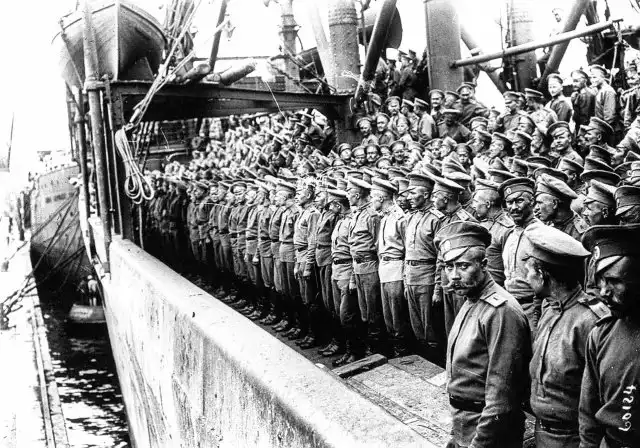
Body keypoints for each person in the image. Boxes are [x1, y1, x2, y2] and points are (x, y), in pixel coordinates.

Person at [436, 221, 531, 448]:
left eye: (463, 266)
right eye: (449, 267)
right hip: (466, 424)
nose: (454, 276)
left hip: (489, 432)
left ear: (484, 264)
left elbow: (501, 396)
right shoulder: (472, 299)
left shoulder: (501, 311)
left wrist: (479, 443)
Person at [523, 223, 607, 448]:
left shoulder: (590, 321)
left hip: (573, 439)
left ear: (542, 275)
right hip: (543, 432)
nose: (526, 277)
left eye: (529, 270)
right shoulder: (550, 308)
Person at [580, 223, 640, 448]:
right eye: (600, 281)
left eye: (614, 281)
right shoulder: (601, 333)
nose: (604, 292)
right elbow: (588, 412)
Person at [499, 177, 542, 334]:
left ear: (532, 202)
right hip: (511, 305)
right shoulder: (509, 234)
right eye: (509, 202)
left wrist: (537, 314)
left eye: (519, 201)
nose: (514, 207)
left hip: (533, 309)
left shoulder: (540, 234)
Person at [346, 176, 384, 354]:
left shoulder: (371, 216)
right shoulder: (358, 214)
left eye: (349, 192)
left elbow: (378, 245)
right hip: (358, 267)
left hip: (370, 268)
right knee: (365, 314)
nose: (347, 195)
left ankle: (377, 352)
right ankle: (370, 349)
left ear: (357, 195)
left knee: (373, 313)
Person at [372, 178, 410, 357]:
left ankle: (402, 353)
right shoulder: (385, 217)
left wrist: (405, 275)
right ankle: (396, 351)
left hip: (396, 269)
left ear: (381, 198)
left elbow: (408, 249)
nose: (371, 201)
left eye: (373, 197)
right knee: (388, 317)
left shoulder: (399, 218)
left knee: (397, 317)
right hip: (385, 268)